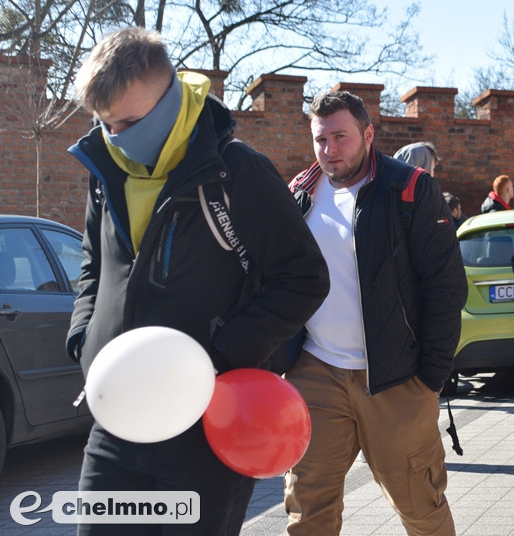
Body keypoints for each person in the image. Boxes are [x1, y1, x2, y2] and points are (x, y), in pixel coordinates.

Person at [66, 27, 331, 535]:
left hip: (206, 425)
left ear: (168, 102)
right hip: (115, 421)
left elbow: (304, 279)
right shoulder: (107, 169)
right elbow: (93, 265)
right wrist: (83, 339)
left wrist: (219, 357)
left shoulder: (238, 172)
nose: (115, 137)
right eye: (104, 124)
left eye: (128, 122)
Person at [283, 90, 467, 535]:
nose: (330, 150)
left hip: (397, 379)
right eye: (320, 140)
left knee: (421, 507)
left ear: (368, 134)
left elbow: (445, 287)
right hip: (316, 372)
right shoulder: (299, 194)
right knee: (307, 510)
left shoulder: (409, 189)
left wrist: (430, 378)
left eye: (340, 137)